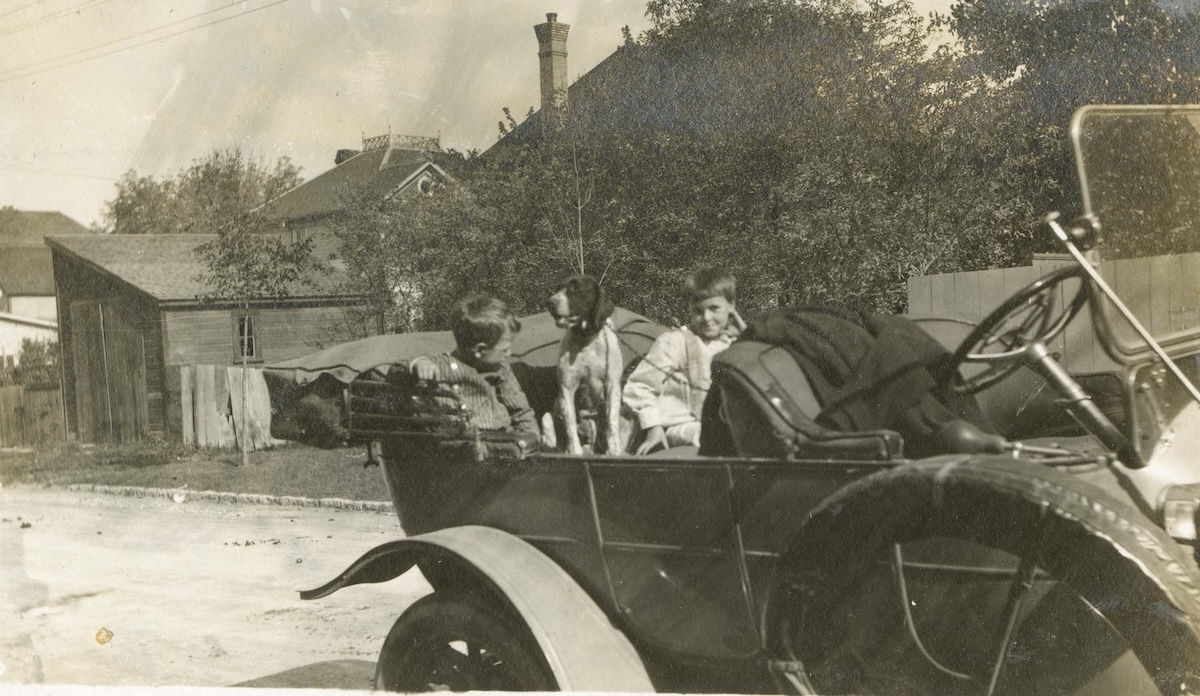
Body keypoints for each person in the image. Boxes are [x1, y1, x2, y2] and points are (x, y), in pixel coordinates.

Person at [624, 267, 745, 454]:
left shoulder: (738, 343)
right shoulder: (676, 342)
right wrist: (653, 427)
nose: (706, 318)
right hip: (681, 426)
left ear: (731, 306)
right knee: (709, 437)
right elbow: (639, 386)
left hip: (725, 427)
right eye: (698, 311)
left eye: (714, 309)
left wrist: (745, 335)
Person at [410, 295, 539, 437]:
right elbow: (396, 371)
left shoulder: (500, 369)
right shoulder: (439, 365)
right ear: (479, 350)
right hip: (457, 442)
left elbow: (520, 410)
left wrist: (531, 438)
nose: (509, 353)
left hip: (500, 437)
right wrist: (417, 363)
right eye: (504, 349)